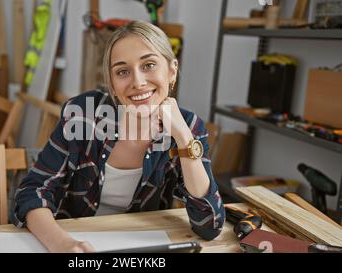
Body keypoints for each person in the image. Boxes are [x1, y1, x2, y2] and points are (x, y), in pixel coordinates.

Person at [13, 20, 225, 253]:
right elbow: (32, 193)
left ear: (172, 70)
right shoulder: (83, 114)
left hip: (140, 250)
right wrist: (62, 244)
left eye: (149, 65)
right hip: (72, 242)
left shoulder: (189, 126)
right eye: (123, 71)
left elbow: (209, 225)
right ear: (112, 84)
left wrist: (184, 138)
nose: (137, 82)